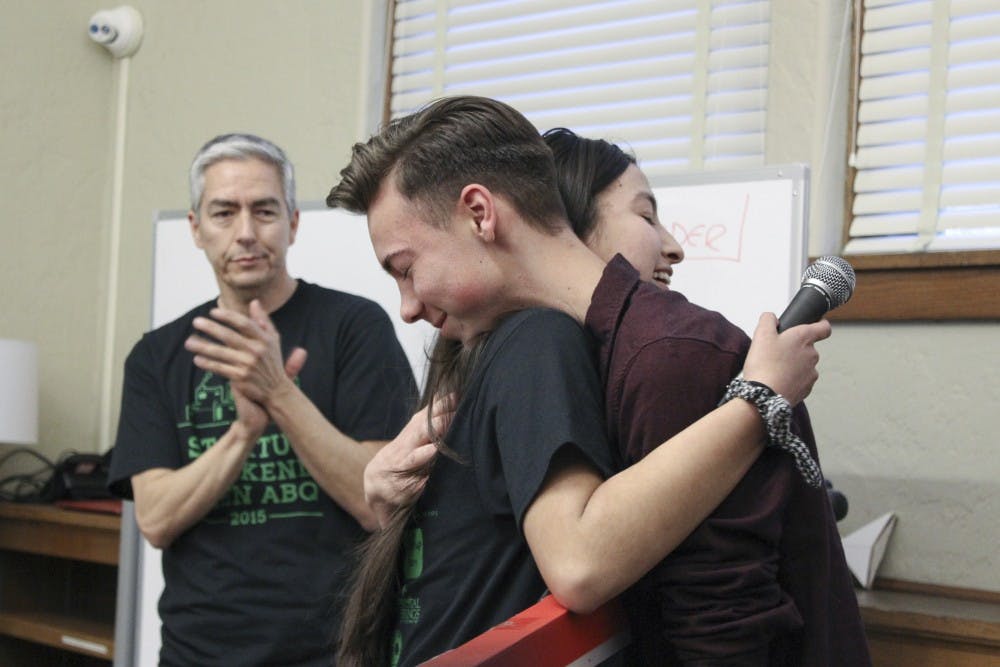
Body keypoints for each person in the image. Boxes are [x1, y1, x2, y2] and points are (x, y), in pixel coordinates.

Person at [326, 96, 833, 667]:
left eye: (406, 268)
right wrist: (386, 495)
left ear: (480, 213)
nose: (407, 307)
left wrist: (757, 401)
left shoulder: (634, 350)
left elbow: (601, 573)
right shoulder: (491, 350)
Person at [542, 127, 871, 665]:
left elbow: (721, 612)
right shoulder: (590, 363)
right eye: (646, 217)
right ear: (564, 232)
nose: (674, 245)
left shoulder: (674, 354)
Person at [107, 133, 418, 666]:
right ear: (196, 228)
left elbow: (378, 504)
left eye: (265, 211)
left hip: (332, 651)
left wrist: (279, 394)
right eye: (224, 213)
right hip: (196, 652)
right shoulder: (156, 356)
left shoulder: (354, 327)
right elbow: (155, 520)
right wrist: (243, 432)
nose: (246, 232)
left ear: (293, 223)